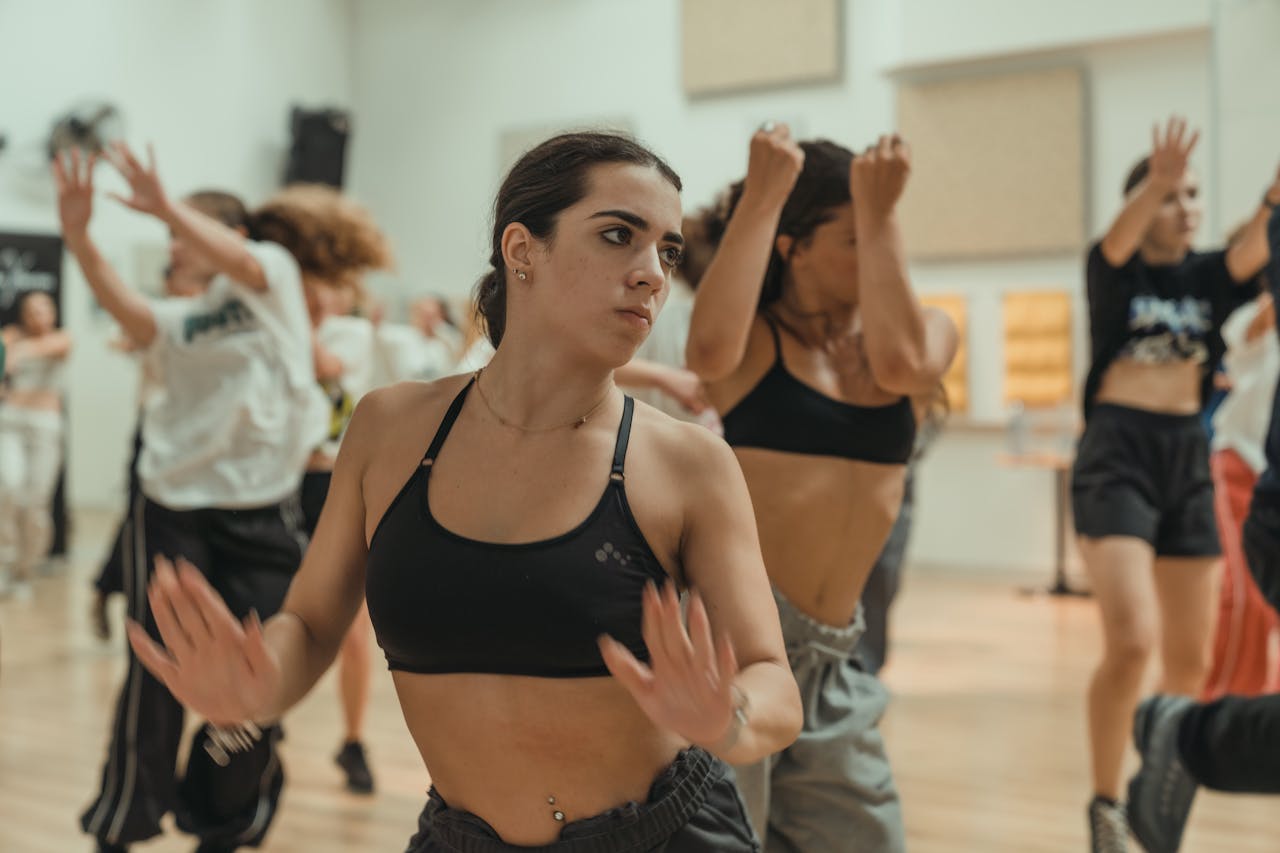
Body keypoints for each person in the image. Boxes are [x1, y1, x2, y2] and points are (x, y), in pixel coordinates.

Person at [124, 131, 803, 852]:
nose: (652, 274)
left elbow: (774, 683)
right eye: (617, 235)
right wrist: (257, 689)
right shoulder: (390, 429)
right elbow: (315, 625)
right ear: (522, 250)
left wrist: (724, 716)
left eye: (666, 251)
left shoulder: (689, 463)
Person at [55, 143, 337, 853]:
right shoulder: (176, 323)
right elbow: (124, 303)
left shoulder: (270, 277)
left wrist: (162, 203)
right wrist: (79, 236)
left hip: (265, 513)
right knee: (155, 671)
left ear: (226, 238)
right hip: (172, 507)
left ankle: (226, 818)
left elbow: (243, 261)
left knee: (255, 677)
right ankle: (122, 823)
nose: (172, 247)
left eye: (182, 236)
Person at [686, 125, 958, 852]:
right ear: (793, 246)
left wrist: (878, 211)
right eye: (852, 239)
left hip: (835, 659)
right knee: (723, 838)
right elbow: (705, 350)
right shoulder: (755, 344)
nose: (872, 254)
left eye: (881, 233)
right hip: (735, 644)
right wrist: (766, 191)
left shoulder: (925, 332)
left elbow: (903, 363)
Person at [1069, 117, 1279, 851]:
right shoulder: (1115, 269)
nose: (1186, 205)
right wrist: (1153, 180)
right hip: (1117, 453)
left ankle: (1154, 800)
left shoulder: (1207, 276)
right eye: (1169, 196)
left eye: (1192, 194)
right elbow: (1114, 241)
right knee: (1132, 640)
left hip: (1186, 454)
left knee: (1189, 659)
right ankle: (1102, 805)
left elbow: (1256, 243)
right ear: (1141, 202)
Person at [291, 198, 392, 793]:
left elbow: (328, 367)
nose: (319, 293)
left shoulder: (351, 332)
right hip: (280, 483)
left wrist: (292, 318)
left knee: (353, 631)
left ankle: (352, 740)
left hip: (333, 483)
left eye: (327, 284)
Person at [1204, 265, 1279, 700]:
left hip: (1275, 475)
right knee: (1245, 600)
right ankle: (1218, 706)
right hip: (1239, 467)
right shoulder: (1251, 319)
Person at [0, 290, 72, 599]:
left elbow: (49, 349)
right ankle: (4, 564)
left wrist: (17, 351)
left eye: (45, 308)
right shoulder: (9, 336)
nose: (38, 315)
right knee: (7, 488)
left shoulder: (61, 339)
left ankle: (25, 569)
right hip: (10, 423)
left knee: (35, 503)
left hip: (45, 427)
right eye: (32, 309)